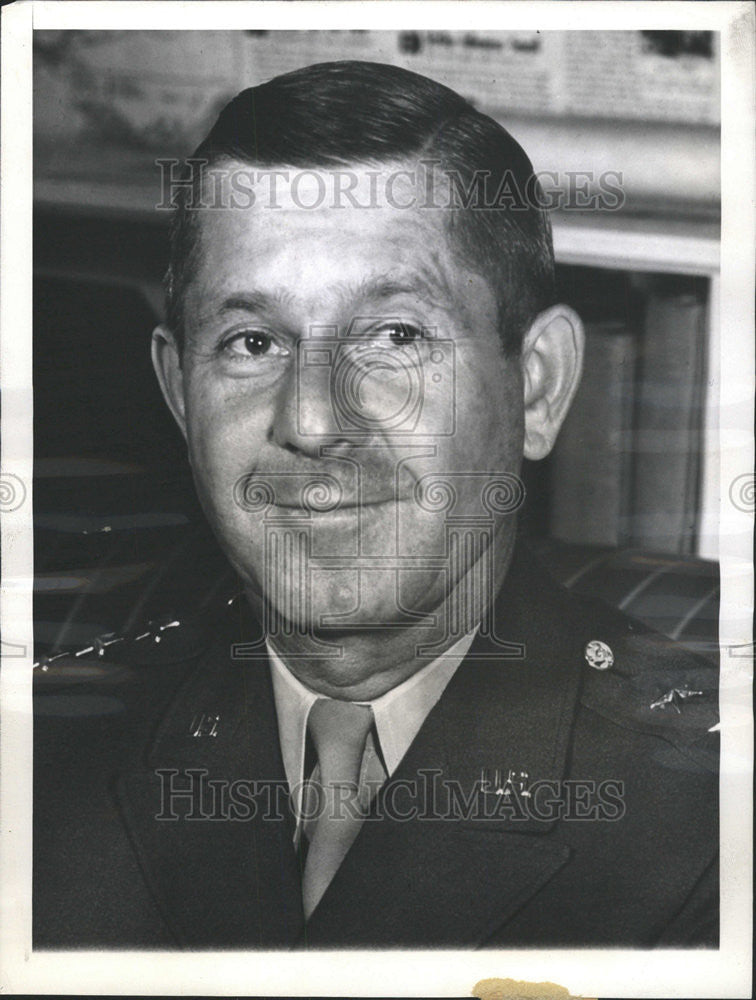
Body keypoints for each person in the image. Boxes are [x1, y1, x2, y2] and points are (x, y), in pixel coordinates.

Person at [34, 60, 718, 949]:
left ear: (537, 387)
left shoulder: (711, 812)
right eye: (252, 342)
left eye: (393, 335)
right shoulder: (47, 757)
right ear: (178, 393)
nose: (314, 420)